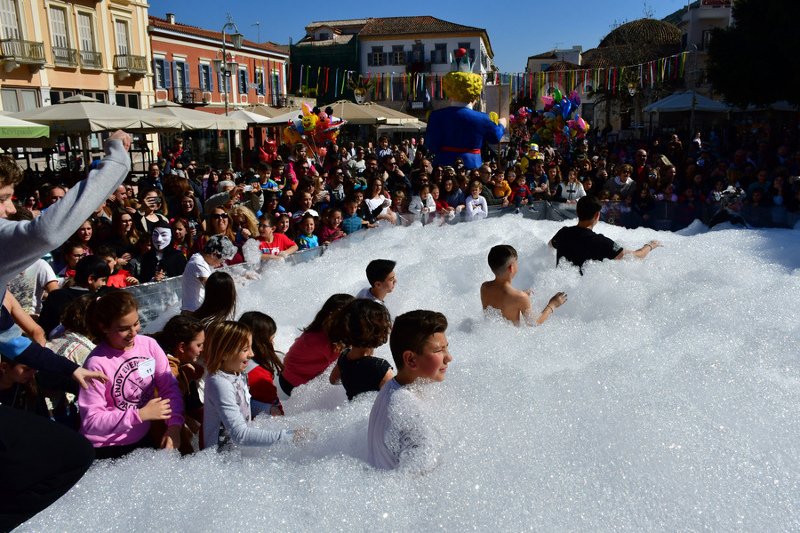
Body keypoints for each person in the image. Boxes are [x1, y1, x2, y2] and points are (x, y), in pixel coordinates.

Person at [78, 290, 184, 460]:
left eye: (136, 323)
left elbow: (169, 387)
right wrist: (139, 414)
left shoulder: (149, 345)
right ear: (104, 327)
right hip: (105, 449)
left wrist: (174, 426)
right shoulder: (96, 364)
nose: (133, 332)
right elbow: (91, 422)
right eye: (123, 329)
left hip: (140, 438)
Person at [367, 310, 451, 471]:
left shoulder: (391, 388)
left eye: (446, 348)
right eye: (439, 350)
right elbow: (415, 487)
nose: (449, 357)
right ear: (411, 359)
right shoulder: (410, 413)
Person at [202, 321, 295, 451]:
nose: (252, 354)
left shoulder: (236, 373)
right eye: (245, 349)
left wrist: (267, 409)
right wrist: (287, 437)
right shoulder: (220, 383)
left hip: (236, 454)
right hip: (219, 460)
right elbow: (240, 435)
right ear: (224, 353)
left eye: (250, 348)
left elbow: (242, 404)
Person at [549, 196, 661, 274]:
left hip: (559, 293)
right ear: (597, 215)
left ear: (577, 212)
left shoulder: (563, 232)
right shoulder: (602, 242)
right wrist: (650, 245)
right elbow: (635, 256)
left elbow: (550, 246)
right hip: (584, 296)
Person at [278, 294, 355, 398]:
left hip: (287, 374)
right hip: (293, 385)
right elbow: (342, 366)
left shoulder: (318, 328)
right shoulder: (326, 341)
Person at [152, 314, 205, 455]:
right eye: (199, 345)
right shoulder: (170, 374)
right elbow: (168, 414)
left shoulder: (161, 354)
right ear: (182, 347)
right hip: (164, 443)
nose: (202, 349)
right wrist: (187, 452)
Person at [480, 245, 567, 326]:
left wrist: (520, 294)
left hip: (491, 335)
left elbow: (501, 300)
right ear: (511, 268)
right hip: (511, 339)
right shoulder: (520, 297)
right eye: (516, 263)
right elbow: (533, 323)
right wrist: (552, 304)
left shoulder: (484, 287)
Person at [328, 299, 394, 401]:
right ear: (379, 331)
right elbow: (391, 402)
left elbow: (333, 380)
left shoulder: (344, 357)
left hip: (352, 410)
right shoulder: (380, 368)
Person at [38, 255, 110, 339]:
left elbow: (43, 326)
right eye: (103, 280)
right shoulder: (93, 301)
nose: (104, 284)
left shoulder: (55, 295)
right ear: (90, 279)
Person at [239, 311, 284, 417]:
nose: (273, 343)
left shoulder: (229, 363)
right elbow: (274, 410)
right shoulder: (259, 374)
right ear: (261, 342)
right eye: (271, 339)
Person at [181, 235, 236, 313]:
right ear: (214, 254)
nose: (221, 263)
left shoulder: (204, 261)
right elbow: (213, 289)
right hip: (193, 314)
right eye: (222, 259)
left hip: (197, 311)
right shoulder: (198, 263)